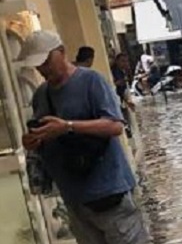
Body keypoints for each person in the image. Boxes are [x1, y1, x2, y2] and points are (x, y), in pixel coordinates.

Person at [20, 31, 149, 243]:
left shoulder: (91, 81)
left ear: (61, 52)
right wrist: (34, 141)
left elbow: (115, 125)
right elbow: (43, 132)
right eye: (38, 65)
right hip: (74, 198)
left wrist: (68, 126)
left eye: (46, 61)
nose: (42, 69)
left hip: (109, 193)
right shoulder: (41, 94)